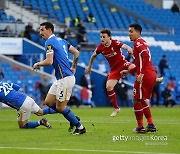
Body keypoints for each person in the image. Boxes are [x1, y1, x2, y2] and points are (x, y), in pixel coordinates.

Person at [33, 22, 86, 135]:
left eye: (42, 30)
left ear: (49, 30)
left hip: (65, 79)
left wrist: (38, 64)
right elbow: (76, 52)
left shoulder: (49, 42)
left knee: (60, 107)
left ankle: (80, 127)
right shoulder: (62, 41)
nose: (40, 33)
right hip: (61, 79)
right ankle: (72, 118)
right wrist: (74, 67)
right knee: (48, 101)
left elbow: (49, 61)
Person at [85, 28, 136, 117]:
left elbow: (125, 46)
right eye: (101, 37)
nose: (102, 39)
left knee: (134, 67)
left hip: (123, 64)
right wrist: (89, 66)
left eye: (104, 37)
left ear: (109, 37)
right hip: (114, 70)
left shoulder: (115, 43)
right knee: (108, 86)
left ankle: (153, 77)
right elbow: (93, 56)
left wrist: (129, 49)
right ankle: (116, 108)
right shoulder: (100, 47)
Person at [120, 23, 156, 133]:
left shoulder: (138, 42)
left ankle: (140, 127)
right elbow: (141, 62)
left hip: (145, 76)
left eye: (131, 31)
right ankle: (151, 124)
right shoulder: (142, 42)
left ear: (138, 32)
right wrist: (129, 70)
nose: (129, 34)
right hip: (150, 74)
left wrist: (142, 74)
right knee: (141, 99)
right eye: (128, 31)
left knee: (136, 99)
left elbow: (145, 55)